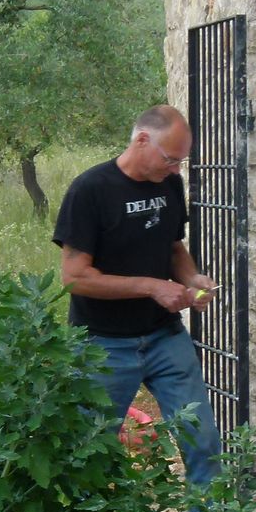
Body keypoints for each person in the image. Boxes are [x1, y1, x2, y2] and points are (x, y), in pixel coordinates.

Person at [54, 104, 223, 486]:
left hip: (165, 338)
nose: (176, 169)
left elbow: (173, 248)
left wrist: (192, 278)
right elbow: (75, 278)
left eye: (181, 161)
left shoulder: (168, 184)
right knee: (90, 450)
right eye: (170, 159)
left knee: (203, 440)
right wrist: (150, 286)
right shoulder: (90, 191)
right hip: (102, 345)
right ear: (142, 139)